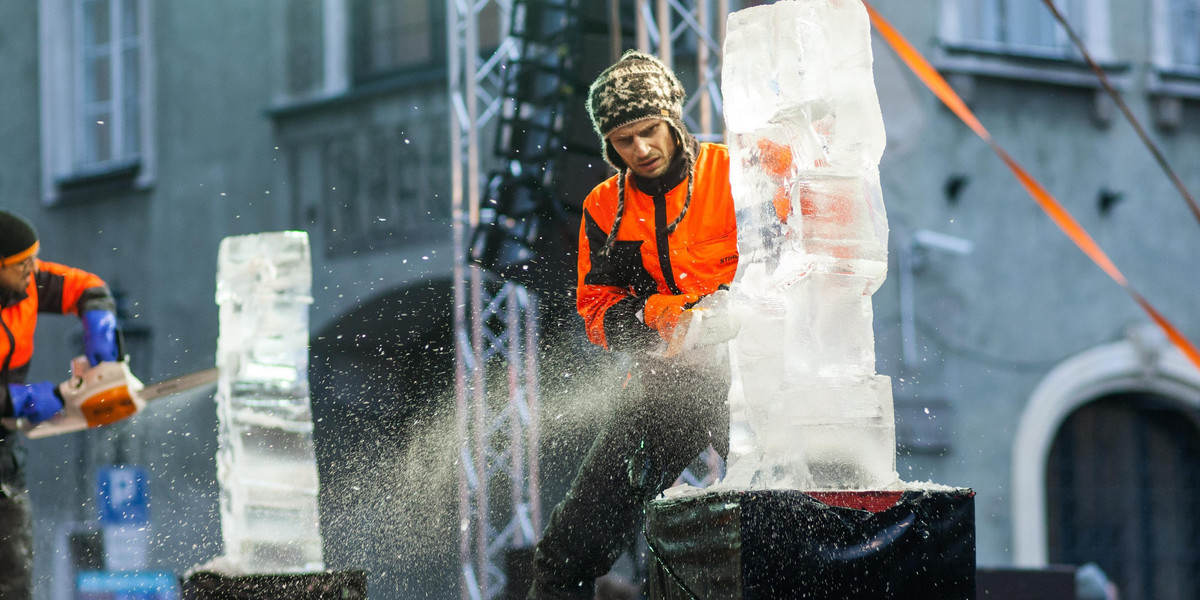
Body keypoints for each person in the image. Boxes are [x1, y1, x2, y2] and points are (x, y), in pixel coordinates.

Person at [528, 50, 738, 599]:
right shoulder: (605, 207)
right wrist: (656, 318)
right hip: (666, 383)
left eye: (649, 131)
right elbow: (597, 310)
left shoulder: (731, 174)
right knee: (567, 548)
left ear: (672, 120)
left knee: (784, 517)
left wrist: (721, 313)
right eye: (624, 140)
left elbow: (785, 257)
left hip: (749, 377)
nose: (640, 150)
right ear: (608, 144)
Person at [0, 210, 120, 600]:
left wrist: (99, 317)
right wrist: (22, 399)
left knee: (13, 574)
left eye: (35, 258)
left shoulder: (27, 283)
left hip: (4, 452)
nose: (32, 270)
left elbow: (84, 285)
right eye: (22, 264)